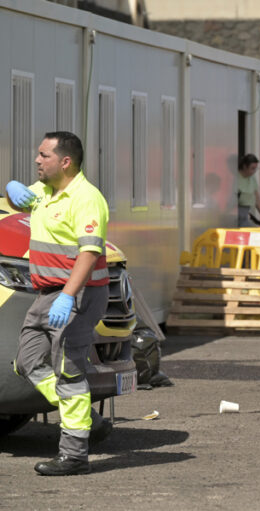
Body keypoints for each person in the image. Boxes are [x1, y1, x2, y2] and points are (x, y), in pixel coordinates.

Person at [5, 131, 113, 476]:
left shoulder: (86, 198)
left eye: (43, 155)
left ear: (65, 162)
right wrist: (11, 188)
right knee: (27, 361)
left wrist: (68, 296)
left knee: (68, 370)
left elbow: (90, 252)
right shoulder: (47, 191)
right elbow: (23, 202)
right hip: (47, 293)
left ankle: (74, 453)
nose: (37, 160)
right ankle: (79, 414)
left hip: (77, 294)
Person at [237, 153, 260, 227]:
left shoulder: (252, 178)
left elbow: (257, 198)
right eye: (252, 168)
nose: (254, 171)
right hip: (236, 214)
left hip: (246, 212)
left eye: (255, 168)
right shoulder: (236, 178)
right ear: (245, 166)